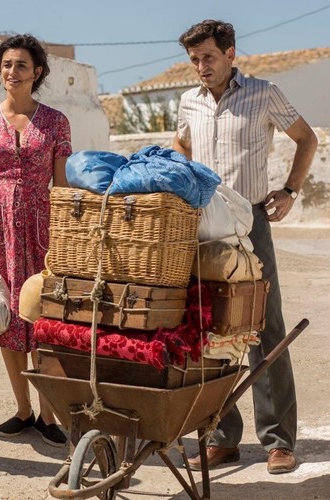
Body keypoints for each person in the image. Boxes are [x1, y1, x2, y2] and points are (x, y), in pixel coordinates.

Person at [172, 20, 318, 474]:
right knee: (208, 325)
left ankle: (278, 441)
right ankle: (220, 437)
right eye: (195, 60)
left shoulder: (263, 92)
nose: (201, 67)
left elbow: (306, 139)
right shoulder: (188, 101)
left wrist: (291, 190)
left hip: (250, 221)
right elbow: (181, 144)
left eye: (209, 58)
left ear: (231, 54)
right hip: (203, 224)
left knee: (262, 326)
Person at [0, 34, 72, 447]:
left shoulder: (56, 122)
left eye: (21, 65)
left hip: (43, 229)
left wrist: (66, 238)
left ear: (37, 72)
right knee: (6, 318)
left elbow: (61, 186)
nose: (12, 72)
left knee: (44, 317)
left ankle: (48, 414)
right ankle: (23, 410)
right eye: (6, 64)